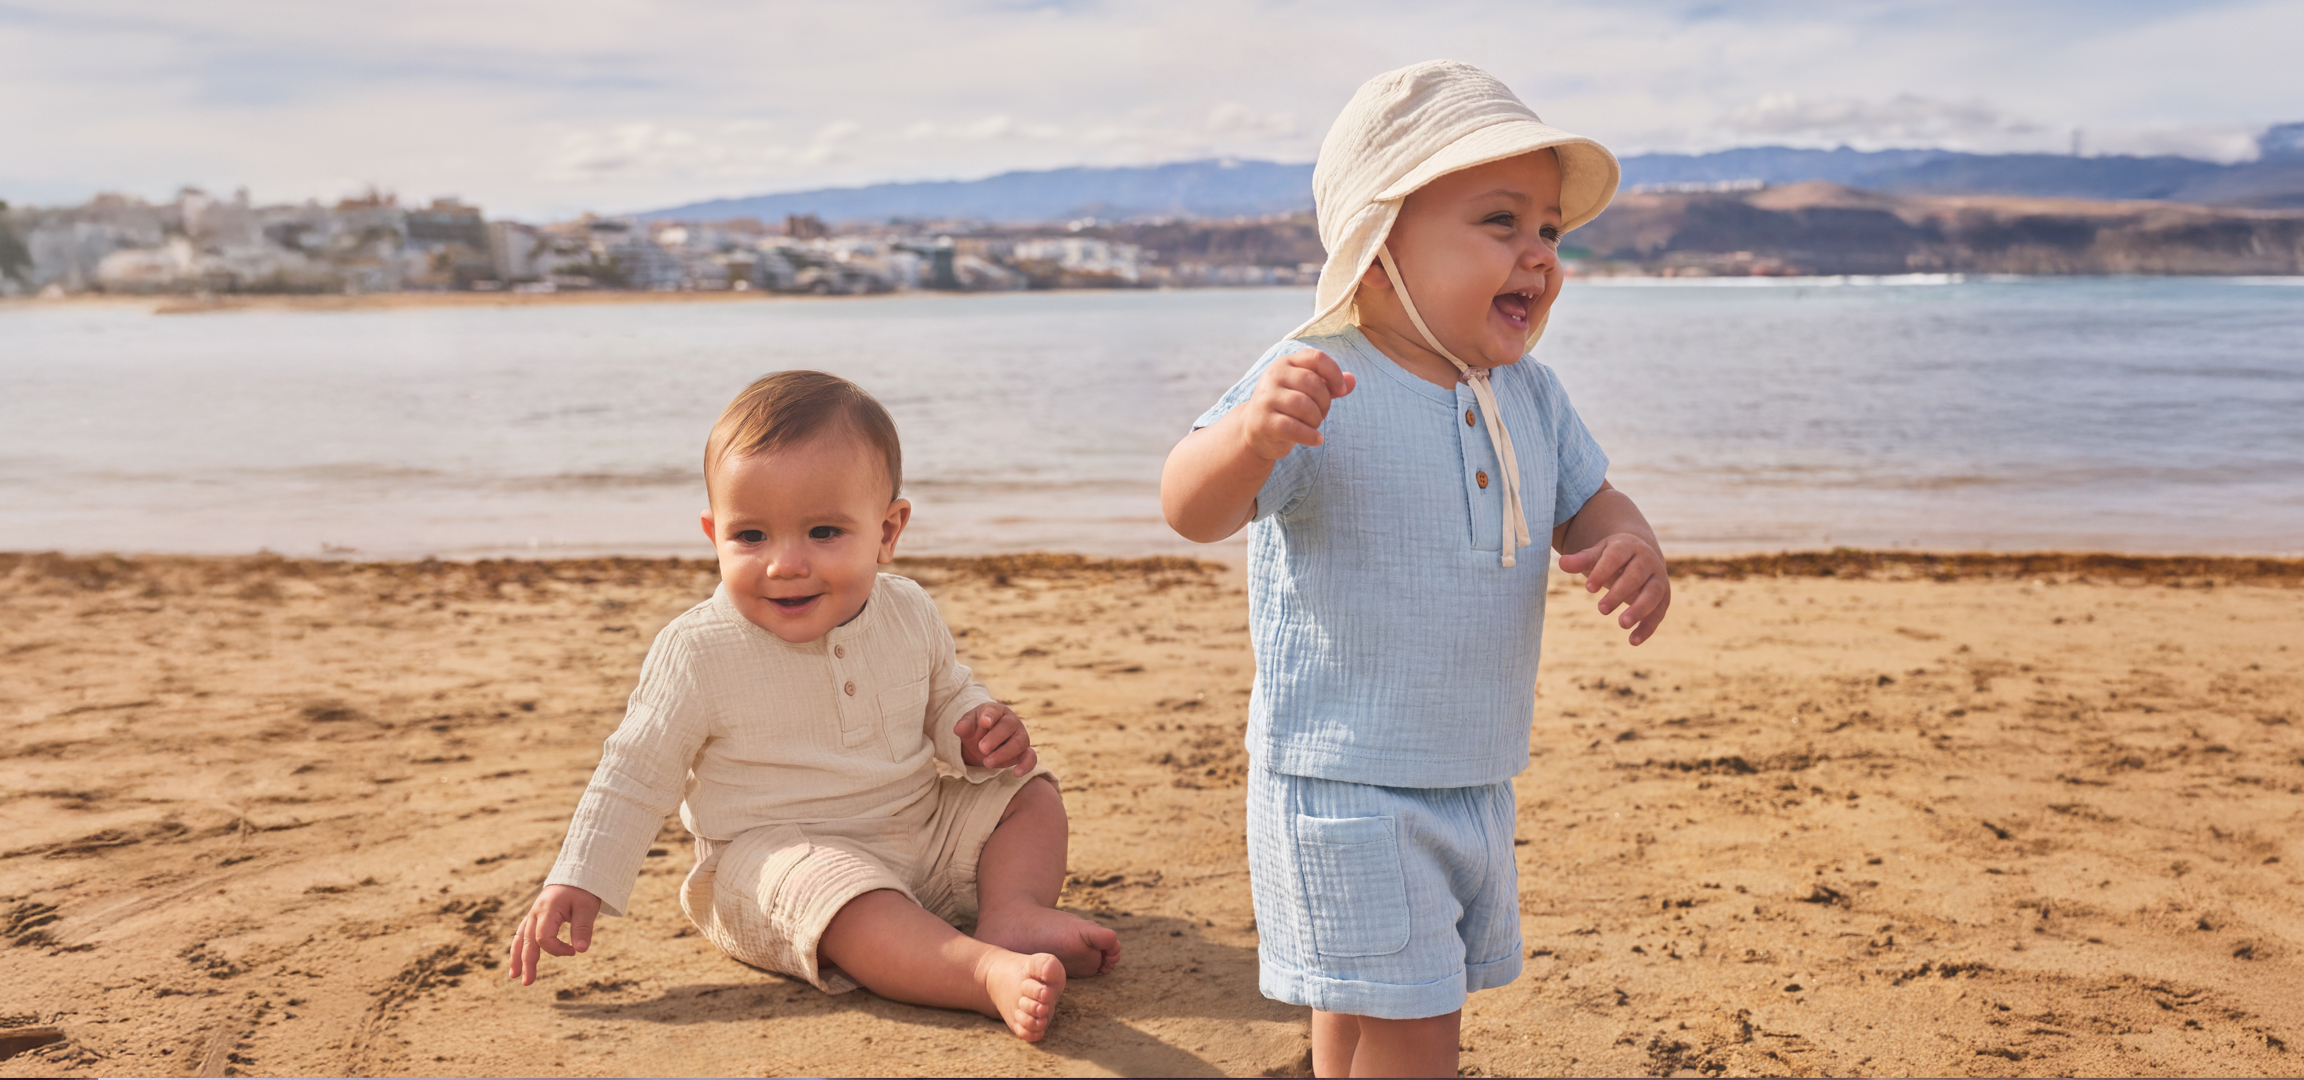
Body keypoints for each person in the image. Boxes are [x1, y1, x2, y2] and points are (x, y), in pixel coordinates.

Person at [1160, 60, 1669, 1077]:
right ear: (1377, 248)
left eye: (1550, 230)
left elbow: (1587, 502)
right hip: (1345, 776)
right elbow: (1191, 507)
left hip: (1471, 769)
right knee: (1417, 1026)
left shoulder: (1530, 394)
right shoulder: (1318, 375)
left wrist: (1631, 544)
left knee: (1365, 1010)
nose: (1539, 254)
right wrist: (1252, 439)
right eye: (1501, 221)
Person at [507, 370, 1120, 1042]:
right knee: (837, 894)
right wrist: (580, 876)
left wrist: (975, 731)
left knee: (1029, 792)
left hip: (920, 830)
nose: (785, 564)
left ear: (887, 531)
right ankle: (977, 972)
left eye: (824, 531)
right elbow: (633, 773)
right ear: (713, 534)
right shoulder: (698, 650)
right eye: (751, 537)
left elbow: (946, 693)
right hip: (779, 861)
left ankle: (1012, 912)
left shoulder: (908, 609)